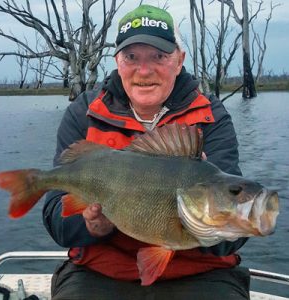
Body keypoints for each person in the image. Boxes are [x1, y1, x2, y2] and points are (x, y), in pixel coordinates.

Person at [43, 4, 250, 300]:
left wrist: (208, 217)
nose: (144, 70)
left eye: (159, 56)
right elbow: (56, 220)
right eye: (131, 57)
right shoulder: (84, 114)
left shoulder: (210, 117)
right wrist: (91, 227)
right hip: (99, 271)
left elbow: (234, 235)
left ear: (179, 61)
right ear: (117, 61)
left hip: (201, 272)